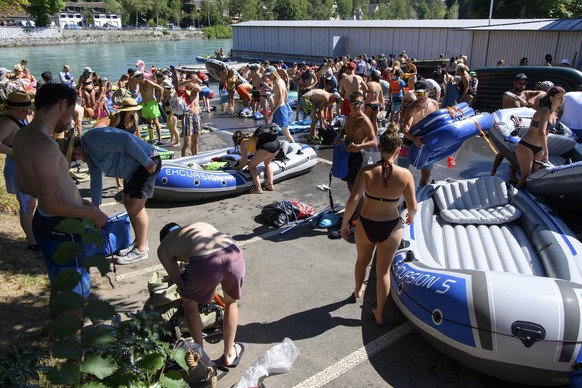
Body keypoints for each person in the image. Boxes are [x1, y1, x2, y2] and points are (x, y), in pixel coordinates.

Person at [12, 83, 109, 304]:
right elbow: (52, 203)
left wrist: (76, 199)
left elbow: (25, 185)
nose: (70, 120)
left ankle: (62, 334)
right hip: (62, 227)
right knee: (74, 295)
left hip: (45, 223)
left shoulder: (22, 136)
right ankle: (72, 337)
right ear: (62, 104)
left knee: (61, 286)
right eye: (71, 112)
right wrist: (93, 214)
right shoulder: (46, 145)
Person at [340, 130, 417, 325]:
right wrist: (411, 217)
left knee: (362, 261)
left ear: (379, 148)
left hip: (366, 224)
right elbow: (413, 207)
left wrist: (345, 223)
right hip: (391, 228)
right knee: (383, 272)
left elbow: (352, 201)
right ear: (398, 150)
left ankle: (358, 290)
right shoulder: (405, 175)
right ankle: (379, 313)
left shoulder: (366, 171)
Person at [157, 222, 245, 367]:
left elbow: (182, 286)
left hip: (207, 262)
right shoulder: (195, 229)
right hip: (234, 253)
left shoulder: (163, 249)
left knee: (189, 305)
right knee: (231, 302)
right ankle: (229, 354)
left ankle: (201, 357)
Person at [72, 126, 162, 264]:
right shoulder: (89, 155)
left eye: (73, 156)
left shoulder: (92, 139)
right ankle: (139, 241)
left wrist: (146, 162)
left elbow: (125, 140)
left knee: (135, 207)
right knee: (126, 201)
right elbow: (96, 179)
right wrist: (96, 206)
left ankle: (141, 250)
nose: (76, 160)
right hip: (131, 171)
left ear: (76, 147)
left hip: (145, 163)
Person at [0, 91, 37, 250]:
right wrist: (16, 152)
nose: (27, 112)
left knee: (30, 204)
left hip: (24, 166)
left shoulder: (16, 118)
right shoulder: (6, 122)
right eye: (24, 110)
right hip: (17, 168)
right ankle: (32, 242)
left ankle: (33, 236)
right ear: (12, 109)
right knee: (26, 206)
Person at [515, 86, 566, 190]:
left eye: (563, 97)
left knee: (534, 176)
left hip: (539, 149)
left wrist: (543, 150)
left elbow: (546, 134)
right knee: (525, 176)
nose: (562, 99)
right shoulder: (545, 111)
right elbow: (541, 132)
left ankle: (529, 197)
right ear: (551, 98)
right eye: (559, 97)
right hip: (526, 146)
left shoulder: (554, 113)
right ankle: (516, 197)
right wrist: (546, 152)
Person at [334, 91, 377, 192]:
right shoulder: (349, 117)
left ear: (362, 104)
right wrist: (338, 137)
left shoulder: (364, 121)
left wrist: (358, 147)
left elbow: (374, 141)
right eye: (354, 102)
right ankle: (355, 207)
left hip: (358, 156)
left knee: (356, 188)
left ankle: (359, 207)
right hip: (347, 155)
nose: (356, 105)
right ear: (349, 103)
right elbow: (343, 130)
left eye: (359, 103)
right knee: (350, 185)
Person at [400, 80, 440, 186]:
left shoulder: (434, 104)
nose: (419, 96)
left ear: (428, 92)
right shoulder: (411, 108)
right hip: (409, 141)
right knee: (401, 174)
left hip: (426, 143)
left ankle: (419, 197)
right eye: (416, 93)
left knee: (426, 174)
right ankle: (400, 198)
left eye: (421, 93)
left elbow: (438, 122)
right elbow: (405, 129)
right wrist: (414, 139)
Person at [232, 126, 280, 194]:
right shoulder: (251, 136)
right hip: (277, 145)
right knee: (267, 163)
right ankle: (270, 185)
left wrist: (235, 169)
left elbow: (244, 162)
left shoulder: (242, 144)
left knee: (252, 166)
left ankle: (258, 189)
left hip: (267, 147)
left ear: (237, 141)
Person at [133, 70, 164, 144]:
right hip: (145, 104)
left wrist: (159, 98)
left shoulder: (148, 82)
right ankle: (151, 138)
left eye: (136, 78)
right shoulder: (140, 84)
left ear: (140, 78)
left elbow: (161, 88)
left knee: (156, 121)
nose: (135, 80)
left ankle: (160, 139)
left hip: (152, 103)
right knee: (148, 122)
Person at [264, 66, 294, 143]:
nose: (268, 77)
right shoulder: (281, 81)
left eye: (269, 75)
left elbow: (280, 99)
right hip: (279, 108)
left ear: (274, 73)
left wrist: (271, 113)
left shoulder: (277, 83)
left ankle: (297, 149)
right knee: (272, 129)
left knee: (286, 133)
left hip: (280, 109)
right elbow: (285, 94)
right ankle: (271, 146)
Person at [176, 74, 202, 156]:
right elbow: (179, 86)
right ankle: (183, 159)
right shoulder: (183, 89)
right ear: (188, 79)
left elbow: (199, 89)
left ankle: (195, 158)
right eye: (194, 79)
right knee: (187, 142)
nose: (196, 81)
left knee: (195, 141)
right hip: (188, 115)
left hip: (196, 115)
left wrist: (191, 82)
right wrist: (189, 82)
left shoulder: (195, 87)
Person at [364, 70, 383, 137]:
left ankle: (368, 136)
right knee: (374, 122)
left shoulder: (368, 84)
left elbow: (364, 95)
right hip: (376, 104)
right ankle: (375, 135)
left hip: (369, 104)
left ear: (371, 77)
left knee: (368, 121)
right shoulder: (379, 85)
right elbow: (381, 97)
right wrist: (382, 106)